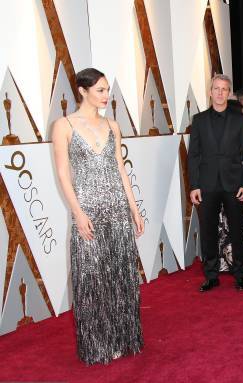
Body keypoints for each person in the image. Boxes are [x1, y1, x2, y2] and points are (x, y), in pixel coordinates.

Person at [52, 68, 144, 365]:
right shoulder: (63, 125)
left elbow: (120, 170)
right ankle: (97, 345)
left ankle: (122, 338)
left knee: (119, 277)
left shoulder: (112, 125)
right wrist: (77, 212)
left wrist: (134, 208)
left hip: (117, 210)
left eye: (107, 90)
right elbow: (64, 175)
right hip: (88, 212)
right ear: (83, 91)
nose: (106, 96)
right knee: (92, 280)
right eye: (101, 90)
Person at [188, 74, 243, 292]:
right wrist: (194, 185)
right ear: (210, 92)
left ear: (229, 93)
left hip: (234, 183)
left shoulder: (240, 120)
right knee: (208, 232)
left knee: (237, 231)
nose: (219, 92)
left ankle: (240, 273)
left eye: (224, 89)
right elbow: (193, 156)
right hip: (206, 185)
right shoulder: (198, 120)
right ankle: (211, 275)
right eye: (216, 88)